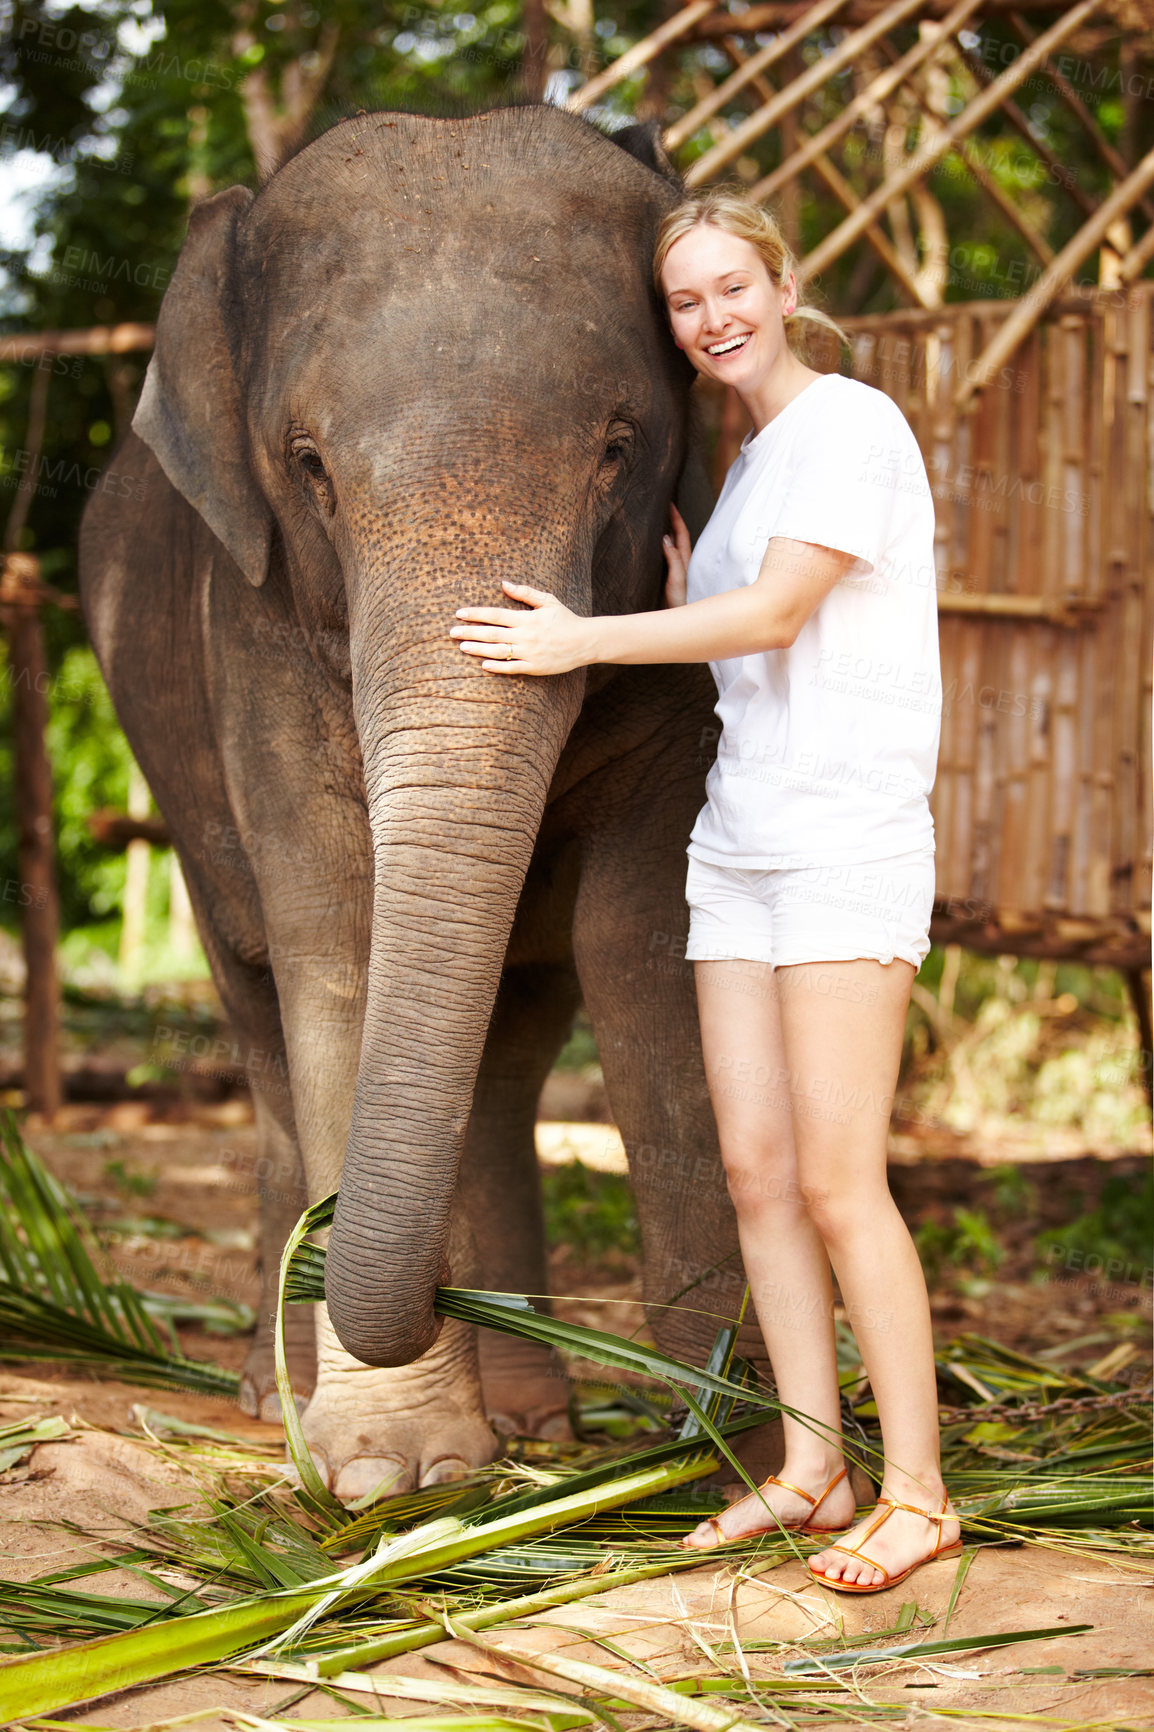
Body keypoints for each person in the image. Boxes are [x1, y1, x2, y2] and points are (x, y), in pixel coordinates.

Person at [448, 188, 960, 1595]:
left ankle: (916, 1490)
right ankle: (813, 1464)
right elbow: (738, 623)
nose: (712, 317)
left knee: (841, 1180)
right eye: (685, 301)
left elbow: (780, 615)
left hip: (844, 839)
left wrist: (581, 641)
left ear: (785, 286)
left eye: (732, 286)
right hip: (737, 842)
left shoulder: (851, 423)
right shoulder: (750, 462)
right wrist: (690, 578)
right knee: (755, 1174)